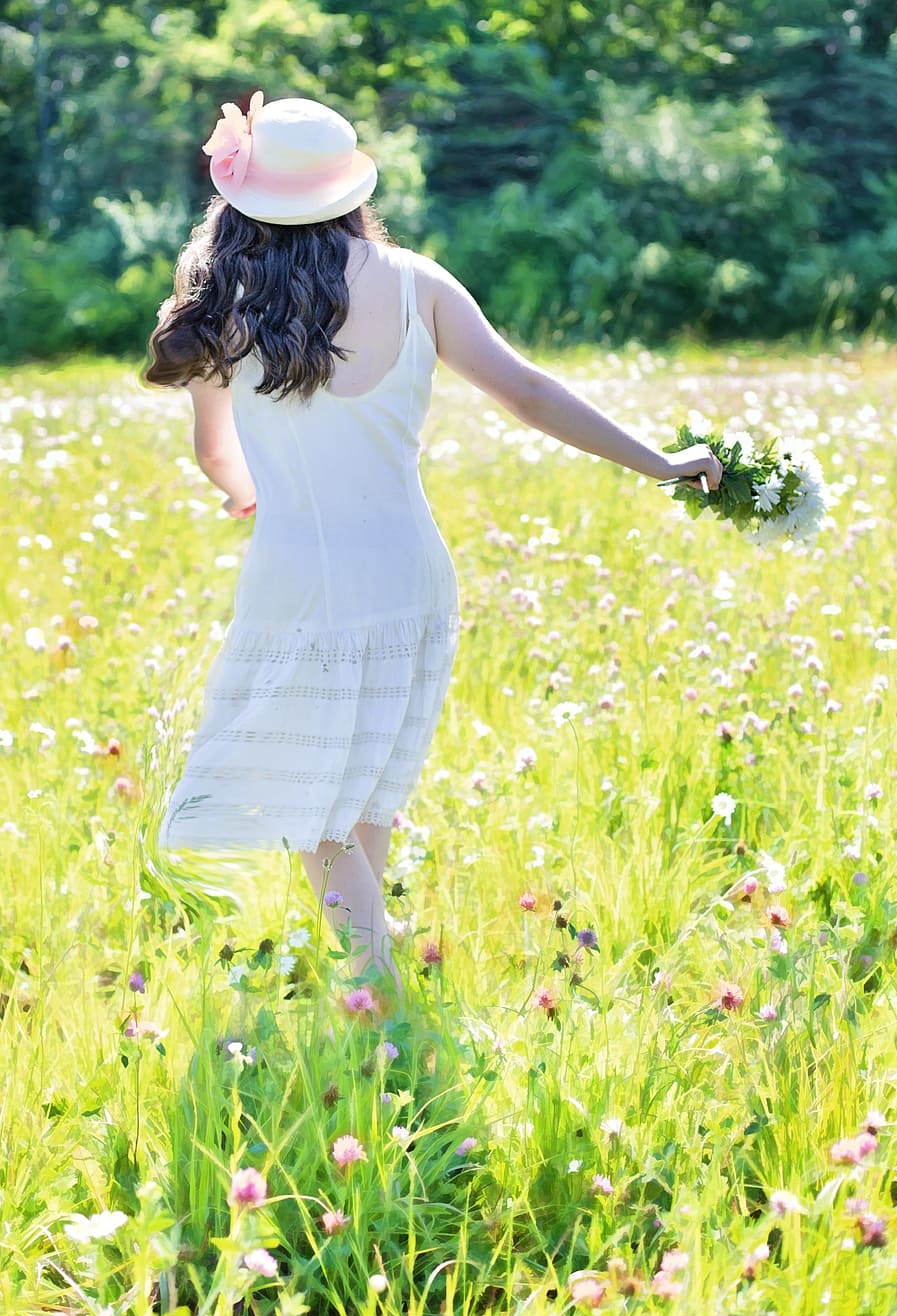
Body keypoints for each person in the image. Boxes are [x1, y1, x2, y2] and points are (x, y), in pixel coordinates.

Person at [146, 92, 722, 990]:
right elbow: (528, 391)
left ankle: (379, 992)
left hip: (297, 579)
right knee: (362, 786)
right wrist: (657, 461)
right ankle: (377, 982)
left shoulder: (221, 306)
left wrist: (256, 494)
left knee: (315, 809)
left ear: (241, 201)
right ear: (349, 188)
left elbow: (214, 452)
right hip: (409, 575)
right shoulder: (416, 282)